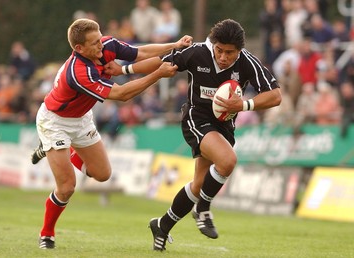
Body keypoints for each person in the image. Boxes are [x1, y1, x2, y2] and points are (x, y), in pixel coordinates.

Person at [106, 18, 282, 251]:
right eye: (219, 50)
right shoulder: (197, 52)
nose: (223, 57)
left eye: (230, 53)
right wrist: (125, 69)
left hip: (224, 125)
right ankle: (203, 209)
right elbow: (160, 63)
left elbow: (275, 95)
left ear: (239, 50)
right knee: (227, 160)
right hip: (196, 119)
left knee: (199, 184)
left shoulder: (247, 62)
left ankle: (162, 225)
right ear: (213, 44)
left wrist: (244, 105)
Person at [32, 18, 192, 249]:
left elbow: (140, 52)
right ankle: (47, 234)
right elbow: (122, 94)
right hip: (55, 122)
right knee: (67, 186)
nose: (101, 46)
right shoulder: (79, 72)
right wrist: (158, 75)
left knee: (103, 174)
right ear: (79, 48)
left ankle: (56, 150)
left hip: (81, 119)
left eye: (100, 38)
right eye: (94, 43)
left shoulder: (106, 44)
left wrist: (174, 45)